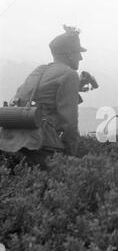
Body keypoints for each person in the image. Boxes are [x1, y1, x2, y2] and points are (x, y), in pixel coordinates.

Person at [0, 25, 87, 169]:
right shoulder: (70, 75)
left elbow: (40, 97)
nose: (81, 57)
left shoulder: (40, 70)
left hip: (10, 142)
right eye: (78, 52)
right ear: (69, 54)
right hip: (39, 146)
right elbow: (69, 123)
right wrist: (69, 157)